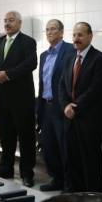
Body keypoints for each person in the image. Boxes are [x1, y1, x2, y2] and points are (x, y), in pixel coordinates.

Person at [0, 11, 38, 187]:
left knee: (26, 138)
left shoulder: (28, 42)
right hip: (2, 99)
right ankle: (5, 169)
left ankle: (27, 173)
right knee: (6, 137)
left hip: (22, 99)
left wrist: (7, 75)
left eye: (11, 20)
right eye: (5, 21)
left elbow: (30, 64)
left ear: (19, 23)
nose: (7, 23)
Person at [59, 22, 102, 192]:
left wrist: (75, 107)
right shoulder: (69, 58)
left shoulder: (100, 58)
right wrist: (66, 106)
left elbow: (95, 89)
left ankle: (93, 198)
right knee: (71, 160)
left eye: (80, 35)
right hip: (70, 119)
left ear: (90, 36)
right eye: (74, 35)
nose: (76, 38)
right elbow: (61, 85)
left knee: (90, 162)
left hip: (89, 120)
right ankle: (74, 195)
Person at [36, 19, 74, 191]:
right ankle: (56, 179)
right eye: (47, 29)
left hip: (62, 107)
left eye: (53, 29)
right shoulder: (44, 55)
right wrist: (39, 109)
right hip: (46, 107)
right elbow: (43, 83)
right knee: (49, 146)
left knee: (65, 147)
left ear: (61, 32)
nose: (49, 32)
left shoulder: (70, 51)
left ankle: (69, 183)